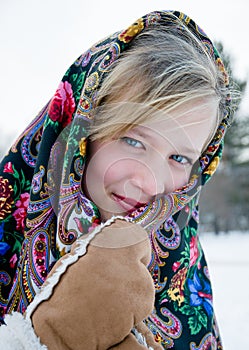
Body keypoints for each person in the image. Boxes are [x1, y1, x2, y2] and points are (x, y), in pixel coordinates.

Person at [0, 9, 237, 349]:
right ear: (81, 128)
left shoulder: (182, 276)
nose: (151, 184)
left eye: (180, 158)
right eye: (133, 140)